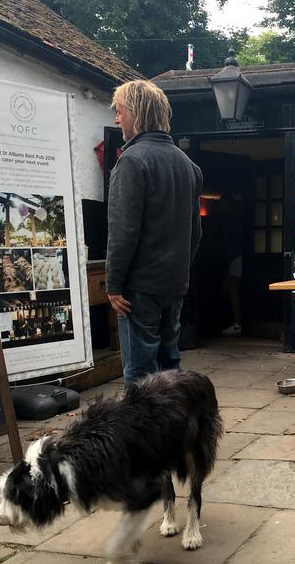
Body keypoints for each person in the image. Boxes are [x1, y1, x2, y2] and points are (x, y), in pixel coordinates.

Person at [106, 80, 202, 385]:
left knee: (140, 373)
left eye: (119, 111)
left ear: (136, 112)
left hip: (139, 288)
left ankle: (141, 433)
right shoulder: (189, 166)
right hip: (173, 285)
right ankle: (175, 431)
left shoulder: (132, 161)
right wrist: (179, 273)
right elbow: (195, 232)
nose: (116, 119)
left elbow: (123, 231)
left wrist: (113, 284)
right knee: (169, 366)